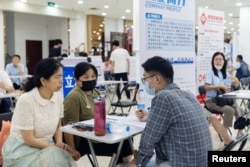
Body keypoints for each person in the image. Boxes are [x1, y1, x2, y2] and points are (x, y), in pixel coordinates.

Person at [129, 56, 212, 167]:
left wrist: (138, 164)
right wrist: (151, 116)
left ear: (157, 79)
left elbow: (148, 141)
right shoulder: (188, 95)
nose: (144, 83)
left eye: (145, 79)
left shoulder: (163, 97)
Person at [2, 58, 77, 167]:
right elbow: (29, 139)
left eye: (62, 76)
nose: (61, 80)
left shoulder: (58, 96)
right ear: (43, 81)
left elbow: (58, 125)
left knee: (57, 157)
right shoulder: (26, 100)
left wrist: (59, 142)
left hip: (47, 146)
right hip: (22, 149)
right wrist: (53, 148)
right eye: (57, 77)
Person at [63, 62, 133, 166]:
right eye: (86, 77)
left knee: (126, 138)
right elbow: (68, 127)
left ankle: (122, 163)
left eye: (93, 76)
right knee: (123, 145)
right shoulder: (74, 97)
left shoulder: (96, 92)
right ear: (77, 80)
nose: (90, 79)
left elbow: (104, 115)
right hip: (84, 140)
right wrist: (72, 150)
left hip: (98, 134)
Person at [204, 52, 244, 142]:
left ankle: (240, 131)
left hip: (223, 100)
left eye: (220, 59)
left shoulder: (225, 73)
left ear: (224, 61)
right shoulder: (210, 72)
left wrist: (236, 82)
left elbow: (231, 86)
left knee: (239, 108)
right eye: (216, 59)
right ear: (213, 61)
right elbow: (206, 87)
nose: (218, 61)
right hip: (212, 101)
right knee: (230, 110)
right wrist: (219, 86)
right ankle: (226, 136)